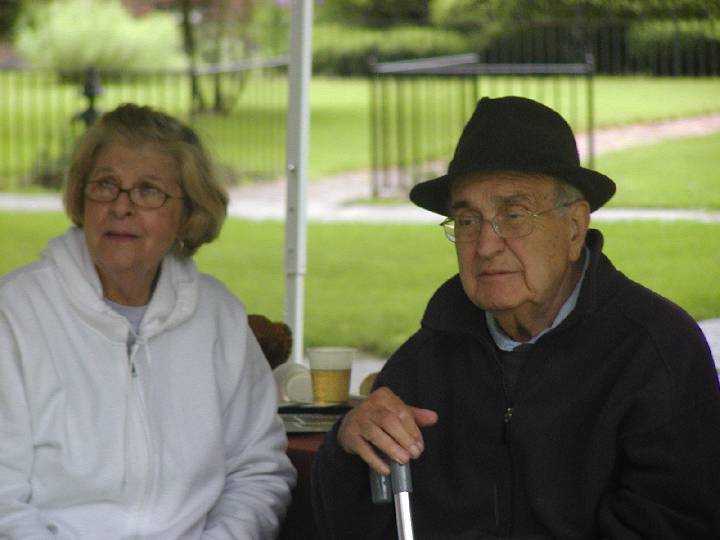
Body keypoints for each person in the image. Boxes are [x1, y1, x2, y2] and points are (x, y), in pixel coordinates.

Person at [312, 96, 720, 539]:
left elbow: (674, 522)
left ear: (574, 228)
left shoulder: (656, 352)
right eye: (468, 221)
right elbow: (358, 523)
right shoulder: (425, 360)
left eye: (514, 215)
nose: (486, 246)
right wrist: (348, 444)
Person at [0, 103, 296, 538]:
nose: (122, 206)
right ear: (81, 197)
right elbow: (4, 498)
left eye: (149, 191)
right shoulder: (16, 313)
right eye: (105, 185)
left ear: (189, 212)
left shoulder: (218, 317)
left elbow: (257, 472)